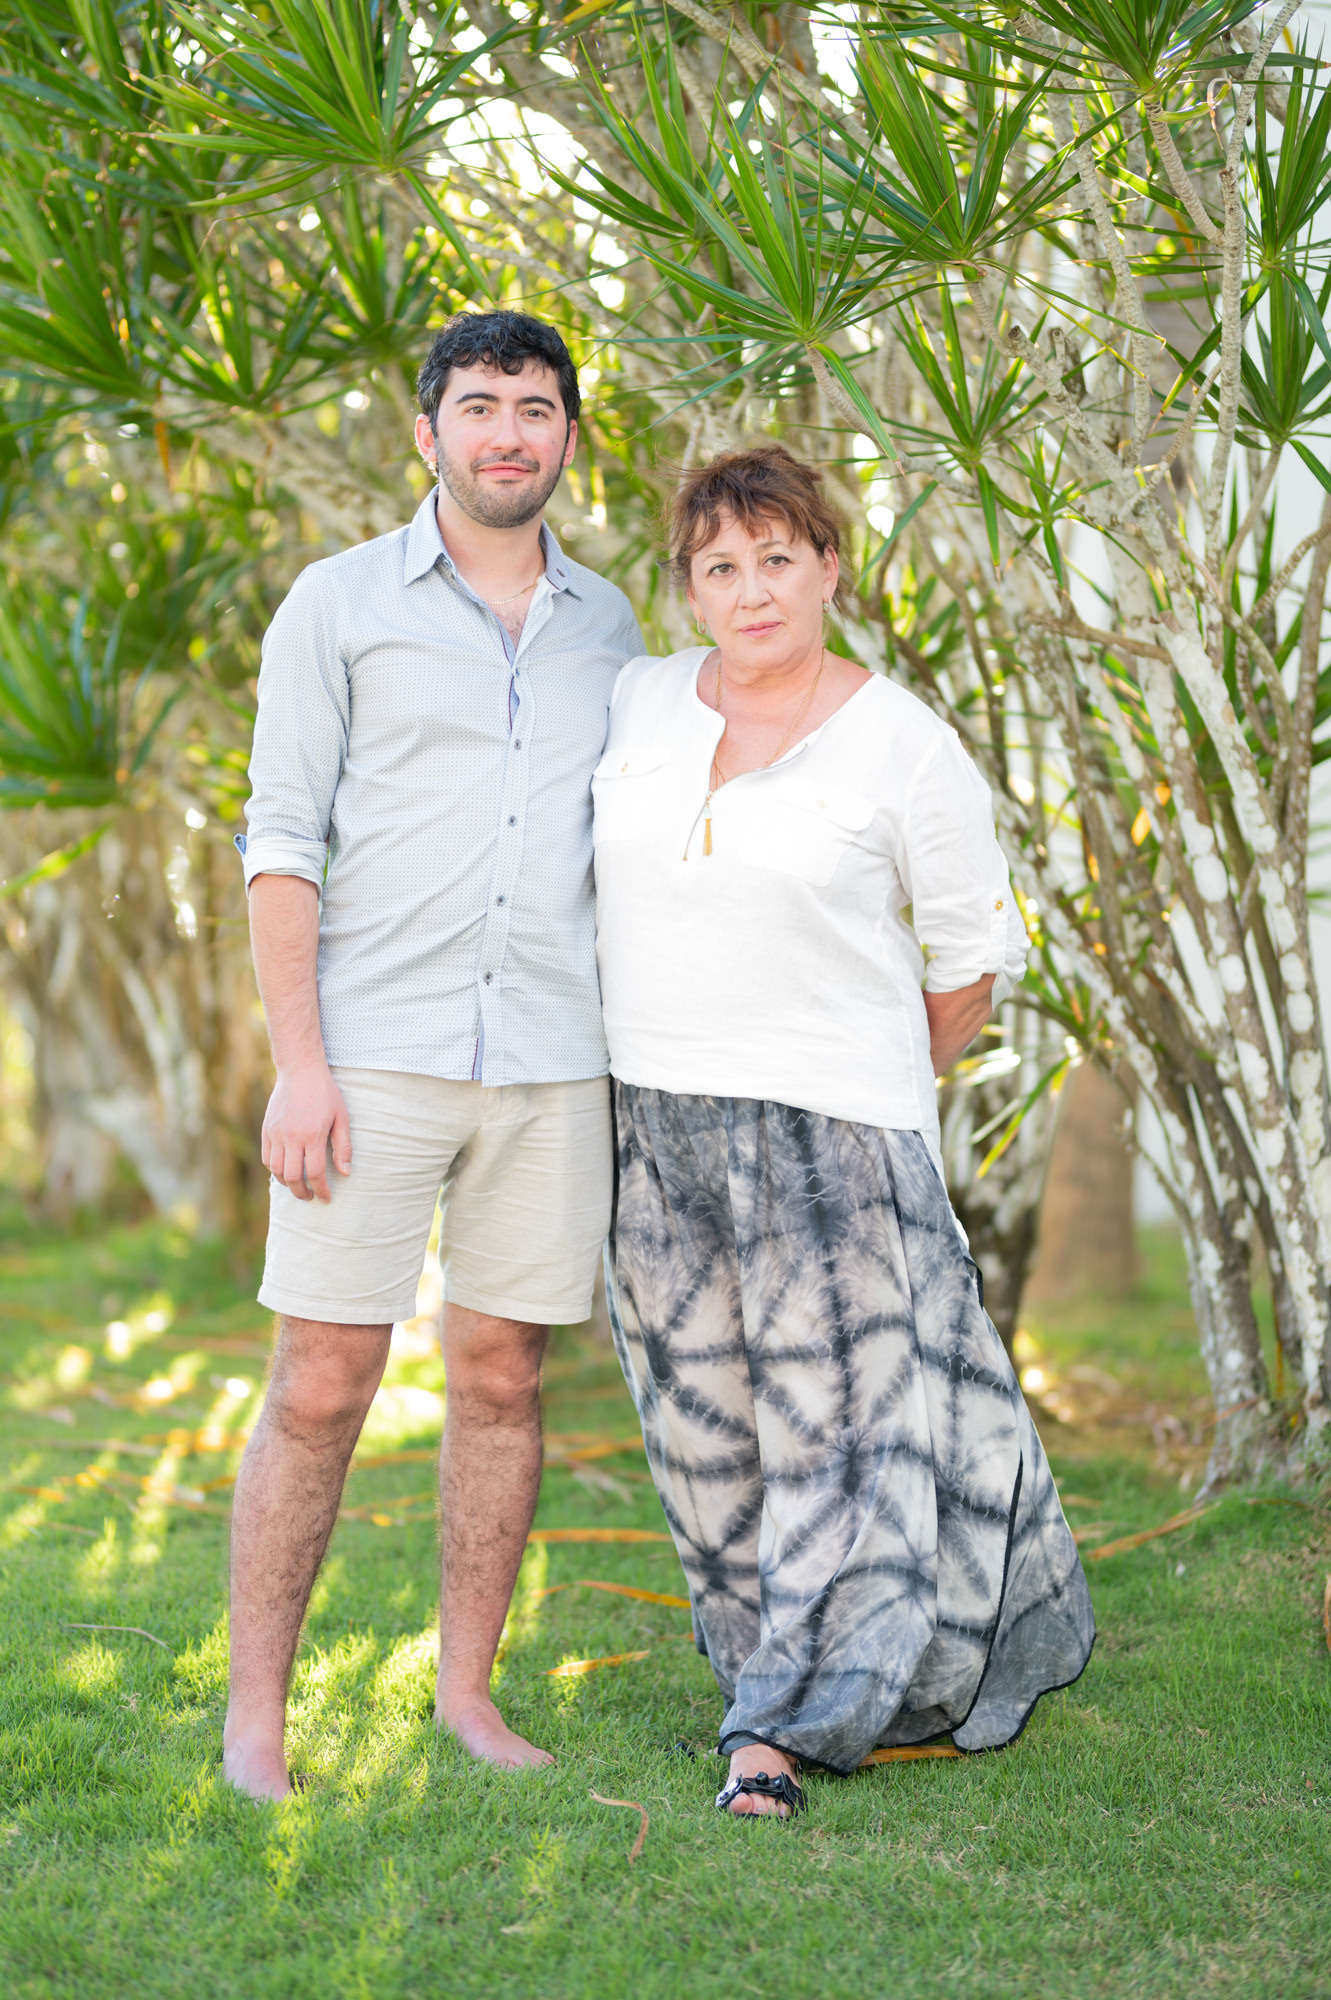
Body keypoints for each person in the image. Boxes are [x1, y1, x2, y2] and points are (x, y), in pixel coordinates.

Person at [594, 445, 1094, 1820]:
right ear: (689, 588)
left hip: (833, 1139)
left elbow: (969, 962)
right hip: (655, 1123)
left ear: (828, 566)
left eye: (777, 558)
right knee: (706, 1437)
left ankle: (782, 1729)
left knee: (836, 1440)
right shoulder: (639, 702)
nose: (751, 591)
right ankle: (774, 1666)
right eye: (720, 566)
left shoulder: (901, 742)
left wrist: (863, 1085)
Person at [225, 310, 642, 1800]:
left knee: (504, 1379)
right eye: (479, 405)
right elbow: (282, 840)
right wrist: (300, 1064)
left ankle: (467, 1695)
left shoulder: (614, 628)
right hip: (374, 1058)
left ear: (568, 435)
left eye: (534, 408)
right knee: (322, 1381)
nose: (507, 433)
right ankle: (256, 1722)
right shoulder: (336, 604)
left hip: (553, 1062)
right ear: (428, 432)